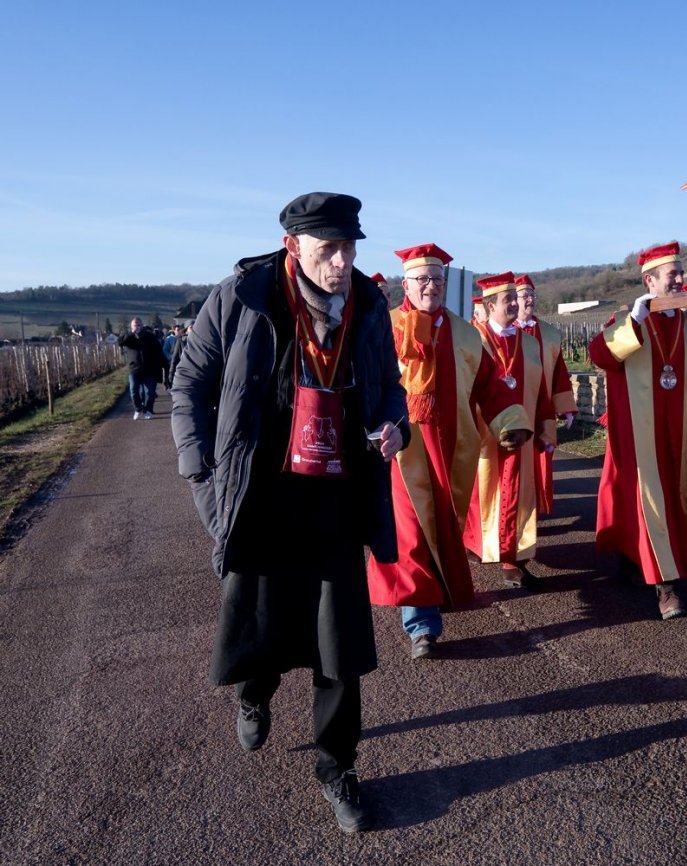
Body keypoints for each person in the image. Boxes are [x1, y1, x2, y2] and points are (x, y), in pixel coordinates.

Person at [171, 192, 409, 833]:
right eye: (329, 248)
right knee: (263, 620)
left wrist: (395, 425)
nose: (342, 261)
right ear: (293, 246)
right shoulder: (242, 295)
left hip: (337, 489)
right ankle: (254, 694)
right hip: (262, 491)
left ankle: (337, 766)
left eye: (350, 247)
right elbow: (191, 380)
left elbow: (391, 387)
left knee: (339, 640)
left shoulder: (368, 304)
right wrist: (199, 467)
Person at [367, 244, 531, 660]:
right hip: (403, 452)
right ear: (406, 284)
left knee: (443, 528)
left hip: (455, 449)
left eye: (437, 280)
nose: (430, 287)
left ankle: (434, 596)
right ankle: (420, 624)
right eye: (421, 280)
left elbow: (489, 386)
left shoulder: (465, 334)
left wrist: (509, 423)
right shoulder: (384, 329)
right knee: (410, 533)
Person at [588, 242, 687, 620]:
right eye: (672, 274)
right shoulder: (627, 323)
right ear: (649, 281)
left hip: (684, 434)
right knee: (649, 504)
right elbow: (600, 356)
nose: (681, 279)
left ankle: (642, 563)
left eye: (682, 272)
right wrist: (633, 322)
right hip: (640, 437)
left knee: (677, 502)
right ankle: (667, 587)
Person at [463, 272, 555, 590]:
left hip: (523, 436)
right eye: (508, 300)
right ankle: (477, 545)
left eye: (516, 298)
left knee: (521, 497)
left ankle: (514, 561)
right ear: (490, 306)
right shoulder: (472, 341)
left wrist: (546, 428)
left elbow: (542, 390)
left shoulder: (528, 344)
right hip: (483, 438)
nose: (516, 304)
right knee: (481, 495)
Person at [513, 273, 577, 513]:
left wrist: (566, 406)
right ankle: (517, 509)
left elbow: (560, 372)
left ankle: (537, 507)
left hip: (543, 409)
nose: (529, 300)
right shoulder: (506, 332)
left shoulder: (550, 334)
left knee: (541, 458)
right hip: (515, 408)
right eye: (523, 296)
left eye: (532, 295)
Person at [119, 317, 165, 419]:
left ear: (142, 325)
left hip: (149, 369)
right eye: (135, 325)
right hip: (134, 369)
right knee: (133, 389)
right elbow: (120, 342)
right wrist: (131, 333)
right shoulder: (128, 337)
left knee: (150, 392)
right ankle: (138, 408)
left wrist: (162, 364)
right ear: (131, 327)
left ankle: (148, 410)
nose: (137, 327)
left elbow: (158, 350)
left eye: (139, 325)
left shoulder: (149, 336)